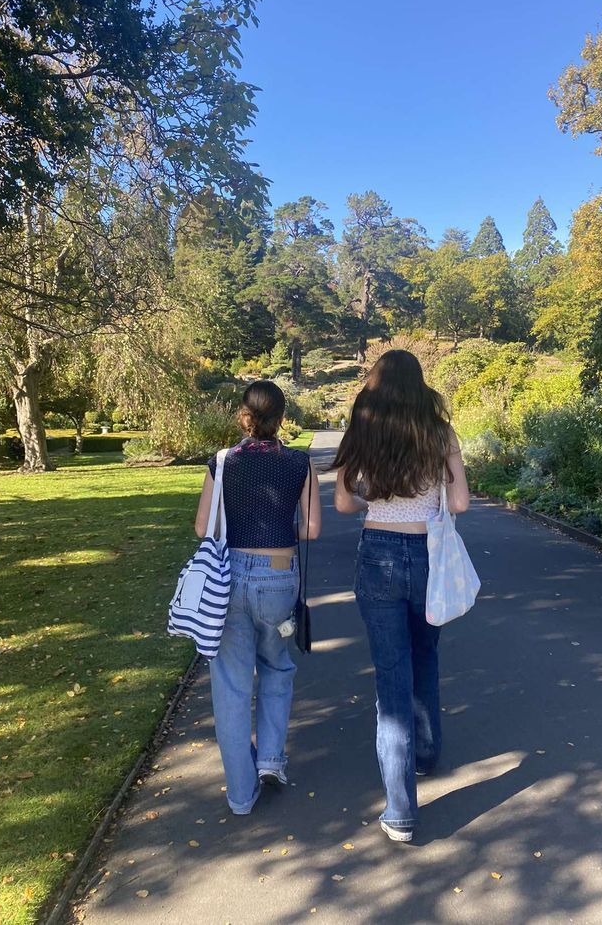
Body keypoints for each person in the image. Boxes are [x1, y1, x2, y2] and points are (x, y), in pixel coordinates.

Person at [332, 350, 469, 843]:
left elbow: (345, 503)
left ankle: (400, 811)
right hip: (429, 553)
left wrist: (379, 496)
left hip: (379, 551)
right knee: (426, 654)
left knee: (392, 677)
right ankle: (427, 753)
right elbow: (459, 502)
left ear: (377, 383)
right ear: (419, 384)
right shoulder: (439, 433)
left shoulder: (362, 432)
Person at [194, 380, 321, 815]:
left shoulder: (222, 463)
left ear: (243, 417)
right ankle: (271, 759)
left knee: (230, 684)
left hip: (228, 578)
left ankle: (241, 795)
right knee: (276, 667)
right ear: (281, 419)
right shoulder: (300, 464)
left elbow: (202, 528)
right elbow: (311, 529)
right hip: (279, 577)